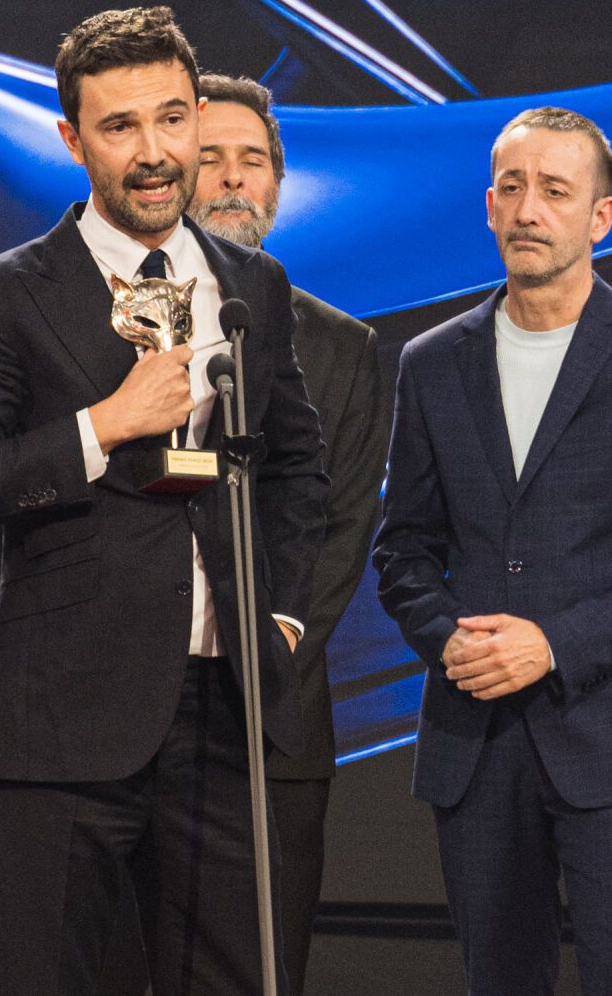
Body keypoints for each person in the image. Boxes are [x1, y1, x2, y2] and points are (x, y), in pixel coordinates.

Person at [0, 7, 326, 996]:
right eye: (119, 127)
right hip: (60, 720)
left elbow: (295, 462)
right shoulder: (1, 294)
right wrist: (100, 425)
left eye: (171, 119)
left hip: (222, 715)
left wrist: (276, 610)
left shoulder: (251, 285)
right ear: (71, 140)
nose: (154, 153)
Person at [372, 107, 612, 995]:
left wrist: (554, 643)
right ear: (488, 205)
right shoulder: (429, 361)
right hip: (476, 737)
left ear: (599, 217)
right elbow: (404, 548)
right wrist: (447, 635)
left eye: (555, 190)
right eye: (512, 187)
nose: (528, 207)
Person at [188, 73, 388, 992]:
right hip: (120, 722)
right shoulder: (104, 315)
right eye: (212, 157)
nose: (232, 179)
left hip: (276, 726)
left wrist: (269, 641)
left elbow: (341, 527)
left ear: (278, 182)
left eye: (253, 161)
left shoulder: (347, 347)